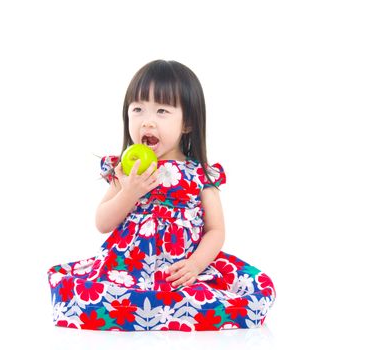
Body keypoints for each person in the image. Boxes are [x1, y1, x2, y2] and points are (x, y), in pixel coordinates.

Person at [48, 60, 276, 332]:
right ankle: (146, 310)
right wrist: (128, 192)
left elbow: (216, 230)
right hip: (127, 270)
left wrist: (195, 264)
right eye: (138, 109)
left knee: (247, 298)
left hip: (179, 273)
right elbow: (102, 222)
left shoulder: (200, 175)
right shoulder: (128, 168)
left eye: (162, 111)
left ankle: (160, 309)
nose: (147, 121)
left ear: (187, 123)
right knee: (84, 298)